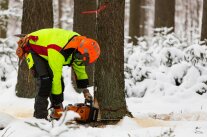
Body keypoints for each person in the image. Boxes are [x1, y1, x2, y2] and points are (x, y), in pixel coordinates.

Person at [15, 28, 100, 120]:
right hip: (33, 48)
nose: (79, 60)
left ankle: (56, 110)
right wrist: (57, 105)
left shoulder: (79, 47)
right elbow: (56, 78)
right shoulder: (59, 50)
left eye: (82, 59)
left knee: (59, 82)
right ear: (78, 50)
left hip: (48, 50)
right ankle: (40, 117)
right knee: (46, 82)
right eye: (80, 57)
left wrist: (85, 91)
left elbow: (80, 69)